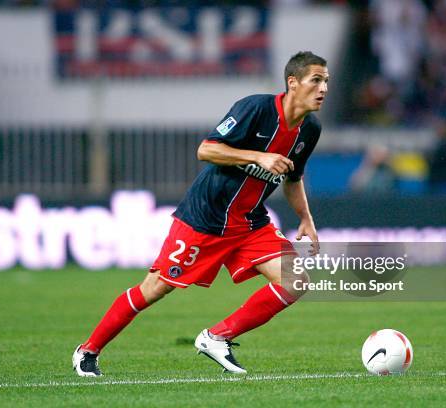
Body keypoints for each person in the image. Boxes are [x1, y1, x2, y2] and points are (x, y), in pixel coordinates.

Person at [72, 51, 328, 376]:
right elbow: (206, 149)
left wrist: (306, 218)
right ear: (293, 83)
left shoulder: (310, 130)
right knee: (154, 288)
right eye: (316, 80)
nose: (323, 89)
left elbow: (293, 177)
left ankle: (217, 338)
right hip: (205, 218)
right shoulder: (256, 109)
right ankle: (88, 350)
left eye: (326, 81)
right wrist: (258, 157)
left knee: (296, 280)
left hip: (250, 222)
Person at [427, 117, 446, 195]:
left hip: (442, 183)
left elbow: (435, 161)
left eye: (441, 128)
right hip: (436, 182)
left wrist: (430, 158)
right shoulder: (440, 145)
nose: (438, 130)